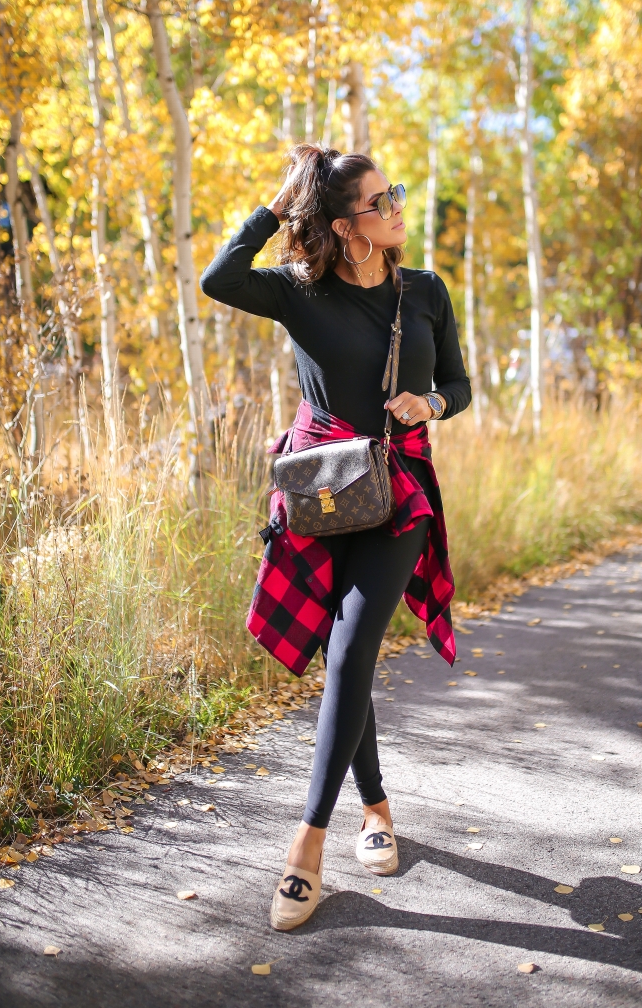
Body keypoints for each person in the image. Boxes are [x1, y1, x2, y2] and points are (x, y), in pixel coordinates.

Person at [200, 143, 471, 930]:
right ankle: (377, 808)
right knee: (335, 656)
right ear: (348, 227)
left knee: (352, 649)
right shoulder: (300, 292)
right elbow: (219, 279)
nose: (396, 208)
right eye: (380, 202)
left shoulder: (425, 291)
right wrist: (282, 202)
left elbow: (458, 382)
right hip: (319, 490)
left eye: (396, 194)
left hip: (400, 490)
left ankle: (306, 848)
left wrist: (433, 407)